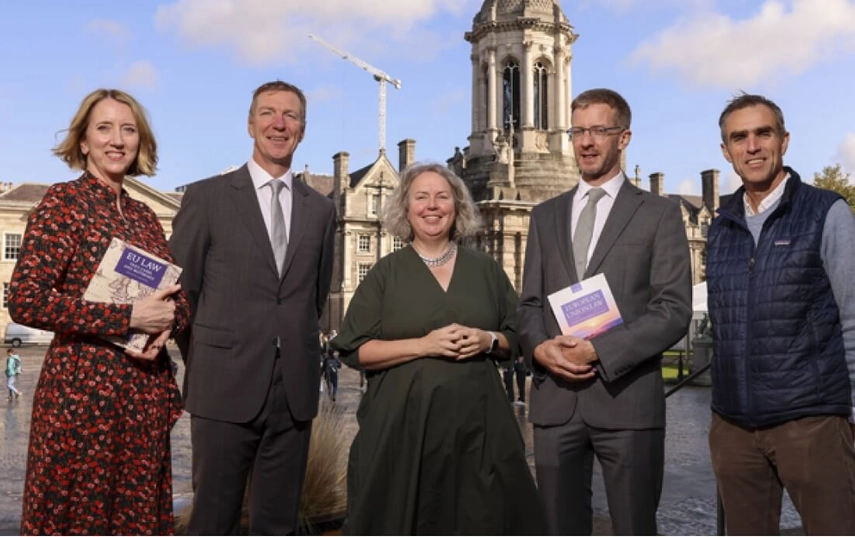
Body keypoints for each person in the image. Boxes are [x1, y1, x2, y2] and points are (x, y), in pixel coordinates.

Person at [8, 88, 188, 535]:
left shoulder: (147, 216)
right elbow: (26, 299)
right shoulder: (62, 204)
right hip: (81, 400)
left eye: (128, 129)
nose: (117, 139)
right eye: (104, 128)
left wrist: (167, 325)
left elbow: (174, 295)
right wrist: (126, 319)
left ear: (139, 142)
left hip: (143, 399)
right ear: (83, 141)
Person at [331, 162, 546, 535]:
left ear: (458, 207)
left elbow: (519, 335)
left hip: (479, 432)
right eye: (421, 197)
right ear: (405, 208)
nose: (432, 206)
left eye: (442, 197)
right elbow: (354, 349)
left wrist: (488, 339)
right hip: (402, 430)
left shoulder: (485, 270)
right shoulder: (386, 272)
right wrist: (423, 345)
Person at [517, 88, 692, 535]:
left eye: (599, 130)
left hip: (627, 401)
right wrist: (540, 349)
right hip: (556, 403)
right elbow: (530, 305)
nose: (586, 141)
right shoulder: (545, 216)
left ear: (624, 137)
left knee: (634, 526)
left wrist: (599, 351)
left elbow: (672, 309)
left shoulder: (658, 214)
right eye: (578, 131)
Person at [169, 80, 336, 535]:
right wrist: (211, 355)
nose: (279, 124)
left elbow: (314, 296)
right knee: (213, 520)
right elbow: (183, 295)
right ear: (250, 124)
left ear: (302, 130)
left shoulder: (321, 210)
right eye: (268, 113)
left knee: (277, 523)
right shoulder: (207, 197)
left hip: (295, 393)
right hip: (223, 385)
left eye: (291, 116)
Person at [706, 93, 855, 535]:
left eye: (762, 133)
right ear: (726, 151)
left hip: (810, 422)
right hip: (734, 426)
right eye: (739, 137)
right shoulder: (719, 225)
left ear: (783, 141)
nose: (751, 146)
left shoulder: (826, 211)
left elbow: (852, 317)